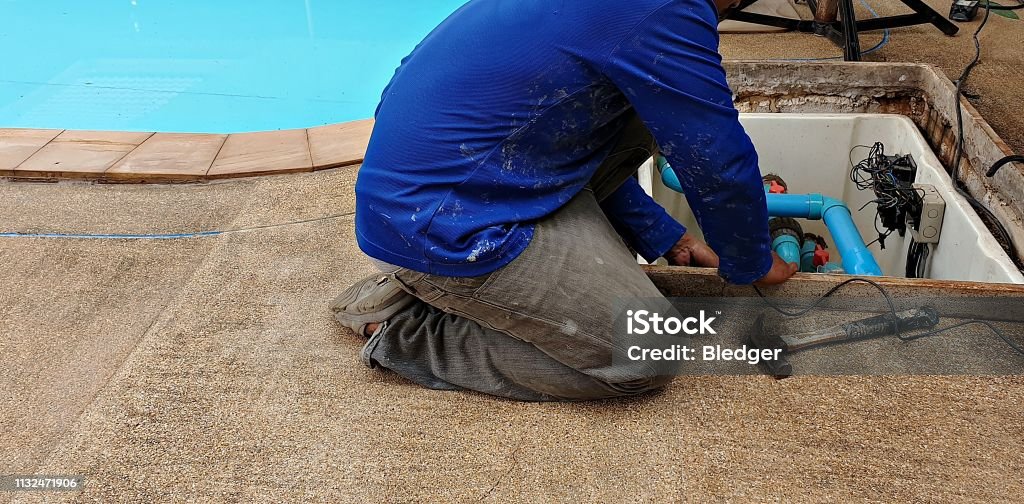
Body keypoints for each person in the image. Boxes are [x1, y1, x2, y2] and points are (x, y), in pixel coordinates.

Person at [331, 0, 798, 401]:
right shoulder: (669, 8)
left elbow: (584, 141)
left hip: (480, 184)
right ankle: (406, 329)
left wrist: (667, 237)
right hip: (446, 225)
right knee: (647, 351)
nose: (716, 20)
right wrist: (752, 261)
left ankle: (443, 290)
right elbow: (716, 159)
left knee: (642, 105)